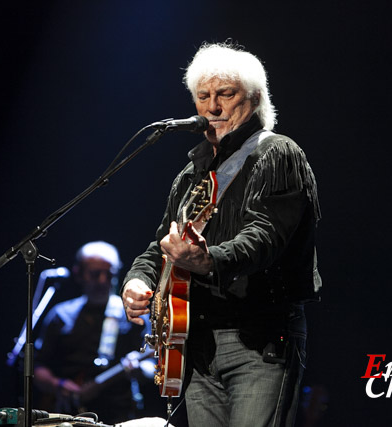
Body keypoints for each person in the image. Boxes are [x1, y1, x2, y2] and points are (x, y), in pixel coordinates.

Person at [120, 42, 322, 427]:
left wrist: (208, 260)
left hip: (258, 341)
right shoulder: (191, 174)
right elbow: (160, 245)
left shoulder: (277, 153)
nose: (212, 107)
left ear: (255, 98)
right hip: (195, 344)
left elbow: (264, 237)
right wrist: (137, 280)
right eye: (203, 97)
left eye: (225, 95)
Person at [33, 241, 154, 424]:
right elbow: (38, 366)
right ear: (79, 273)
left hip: (118, 414)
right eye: (95, 274)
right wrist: (59, 386)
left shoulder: (133, 314)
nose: (103, 281)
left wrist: (139, 369)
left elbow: (153, 364)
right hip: (66, 413)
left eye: (110, 274)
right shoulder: (61, 315)